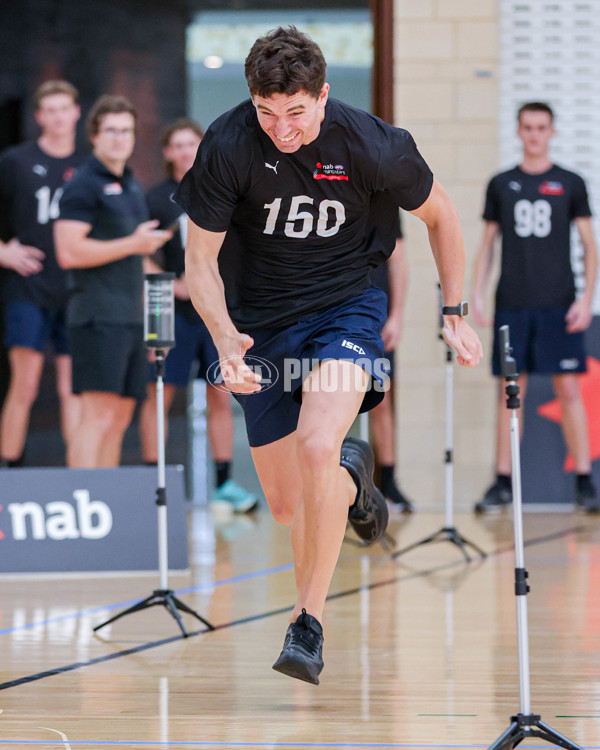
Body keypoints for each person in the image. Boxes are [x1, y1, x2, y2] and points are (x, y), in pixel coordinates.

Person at [176, 26, 482, 684]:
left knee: (316, 444)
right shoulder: (229, 143)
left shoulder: (372, 143)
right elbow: (198, 263)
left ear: (322, 96)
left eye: (295, 113)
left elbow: (443, 216)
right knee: (289, 504)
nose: (281, 129)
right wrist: (226, 336)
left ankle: (305, 623)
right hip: (261, 324)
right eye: (267, 112)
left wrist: (454, 311)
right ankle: (353, 481)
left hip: (347, 307)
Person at [471, 101, 598, 514]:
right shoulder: (501, 183)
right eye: (528, 127)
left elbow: (588, 245)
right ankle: (502, 480)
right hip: (513, 303)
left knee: (568, 390)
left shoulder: (571, 183)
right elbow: (487, 246)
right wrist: (476, 294)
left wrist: (585, 299)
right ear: (519, 130)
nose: (535, 135)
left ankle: (584, 480)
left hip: (558, 305)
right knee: (511, 392)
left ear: (552, 132)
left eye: (542, 127)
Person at [139, 118, 257, 513]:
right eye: (178, 145)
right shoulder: (156, 198)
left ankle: (224, 484)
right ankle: (152, 483)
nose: (186, 151)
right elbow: (139, 252)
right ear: (167, 152)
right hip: (168, 308)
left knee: (220, 394)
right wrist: (173, 286)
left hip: (214, 312)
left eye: (193, 143)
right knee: (160, 392)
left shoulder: (218, 188)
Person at [54, 94, 172, 468]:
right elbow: (68, 251)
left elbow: (140, 262)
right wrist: (133, 243)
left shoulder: (131, 185)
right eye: (111, 131)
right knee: (98, 415)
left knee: (120, 419)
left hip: (132, 319)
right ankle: (81, 509)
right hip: (96, 316)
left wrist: (160, 327)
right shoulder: (83, 184)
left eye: (126, 131)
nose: (120, 138)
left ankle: (102, 509)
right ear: (94, 135)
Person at [0, 80, 84, 467]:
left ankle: (76, 478)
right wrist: (4, 252)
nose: (57, 116)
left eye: (63, 108)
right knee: (25, 384)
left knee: (72, 389)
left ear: (76, 112)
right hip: (28, 288)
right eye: (48, 110)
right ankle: (9, 473)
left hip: (73, 289)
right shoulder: (15, 161)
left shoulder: (89, 164)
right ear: (38, 117)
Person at [369, 213, 413, 513]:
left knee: (380, 399)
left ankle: (388, 482)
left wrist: (396, 316)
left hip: (375, 316)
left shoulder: (384, 198)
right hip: (330, 310)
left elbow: (398, 262)